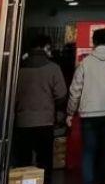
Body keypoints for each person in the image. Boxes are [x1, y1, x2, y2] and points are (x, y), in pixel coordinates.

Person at [67, 27, 105, 184]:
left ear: (94, 42)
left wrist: (70, 112)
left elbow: (75, 90)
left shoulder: (85, 63)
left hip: (89, 114)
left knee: (89, 152)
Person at [13, 33, 66, 174]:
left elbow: (12, 96)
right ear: (46, 47)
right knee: (45, 162)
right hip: (45, 122)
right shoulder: (53, 68)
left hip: (23, 122)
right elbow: (61, 94)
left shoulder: (18, 69)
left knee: (23, 162)